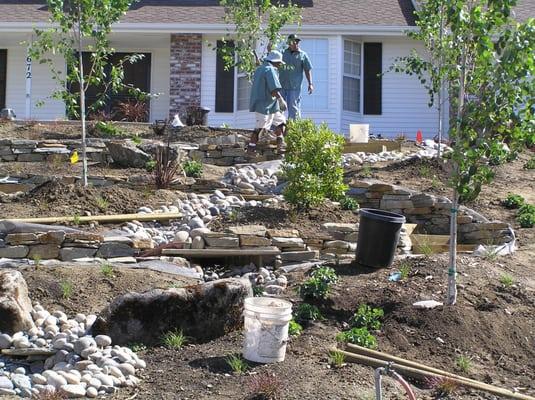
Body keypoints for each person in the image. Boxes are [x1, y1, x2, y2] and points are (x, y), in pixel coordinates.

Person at [247, 50, 288, 154]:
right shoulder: (270, 70)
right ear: (275, 61)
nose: (280, 65)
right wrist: (281, 99)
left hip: (270, 103)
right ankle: (250, 150)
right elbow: (273, 89)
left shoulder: (259, 69)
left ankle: (280, 144)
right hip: (264, 104)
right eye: (279, 63)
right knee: (260, 128)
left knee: (280, 122)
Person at [279, 34, 313, 120]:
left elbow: (307, 69)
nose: (296, 44)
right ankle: (276, 130)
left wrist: (310, 84)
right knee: (278, 108)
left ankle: (293, 130)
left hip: (294, 87)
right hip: (281, 86)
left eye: (297, 42)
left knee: (293, 109)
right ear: (289, 43)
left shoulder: (303, 55)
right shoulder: (282, 53)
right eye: (294, 42)